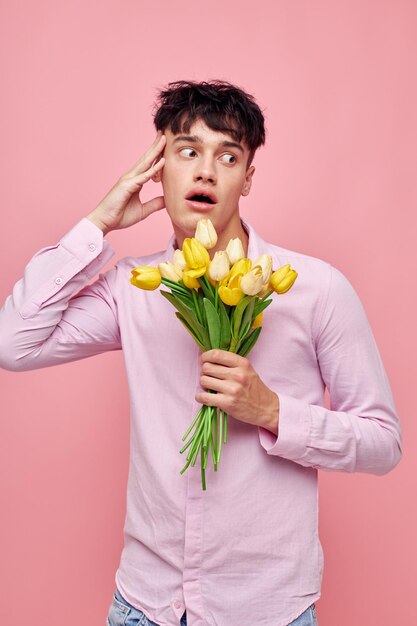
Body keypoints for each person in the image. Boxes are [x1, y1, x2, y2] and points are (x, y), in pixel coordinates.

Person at [0, 80, 402, 626]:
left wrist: (272, 412)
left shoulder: (315, 289)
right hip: (144, 605)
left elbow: (383, 442)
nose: (206, 171)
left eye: (228, 156)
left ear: (248, 177)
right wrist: (98, 224)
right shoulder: (134, 287)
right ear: (157, 168)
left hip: (267, 611)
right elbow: (13, 344)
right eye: (187, 151)